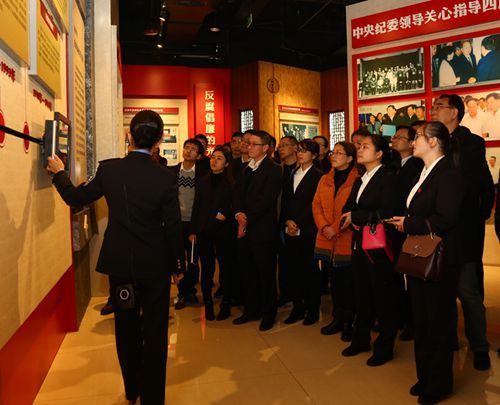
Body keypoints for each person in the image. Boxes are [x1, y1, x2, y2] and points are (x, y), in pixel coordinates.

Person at [47, 110, 183, 405]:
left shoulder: (109, 171)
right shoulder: (166, 177)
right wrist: (177, 265)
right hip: (155, 266)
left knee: (126, 328)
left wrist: (59, 172)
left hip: (122, 265)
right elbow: (173, 226)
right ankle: (152, 399)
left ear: (129, 136)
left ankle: (132, 391)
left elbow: (75, 198)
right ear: (159, 140)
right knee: (156, 333)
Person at [388, 121, 464, 405]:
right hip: (421, 255)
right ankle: (425, 377)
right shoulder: (424, 172)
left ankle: (439, 384)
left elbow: (446, 218)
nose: (413, 141)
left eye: (418, 136)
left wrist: (408, 223)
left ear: (434, 142)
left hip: (440, 259)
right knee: (421, 321)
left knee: (438, 323)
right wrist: (408, 221)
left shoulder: (449, 174)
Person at [431, 94, 495, 370]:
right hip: (436, 227)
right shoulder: (431, 139)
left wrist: (478, 217)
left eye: (439, 107)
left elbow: (480, 184)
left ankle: (479, 346)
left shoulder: (471, 142)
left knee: (469, 292)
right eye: (433, 107)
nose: (433, 111)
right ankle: (448, 340)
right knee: (441, 292)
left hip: (463, 230)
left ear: (454, 112)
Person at [340, 134, 399, 367]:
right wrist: (354, 216)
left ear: (379, 153)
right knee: (361, 293)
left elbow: (388, 211)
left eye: (365, 146)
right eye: (359, 146)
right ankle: (361, 338)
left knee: (382, 296)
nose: (360, 150)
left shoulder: (388, 178)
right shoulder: (360, 178)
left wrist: (356, 216)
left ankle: (385, 346)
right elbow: (348, 208)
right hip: (358, 242)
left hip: (378, 245)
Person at [233, 130, 282, 331]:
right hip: (243, 228)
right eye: (248, 143)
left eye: (254, 144)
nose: (249, 147)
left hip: (262, 229)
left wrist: (246, 219)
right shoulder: (246, 168)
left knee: (265, 274)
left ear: (265, 148)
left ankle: (268, 313)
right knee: (248, 272)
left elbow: (266, 200)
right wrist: (238, 213)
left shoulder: (274, 169)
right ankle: (251, 309)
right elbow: (237, 194)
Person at [314, 142, 358, 340]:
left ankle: (349, 321)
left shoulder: (357, 179)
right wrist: (324, 227)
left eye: (340, 153)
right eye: (333, 152)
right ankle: (337, 318)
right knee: (334, 282)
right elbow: (316, 206)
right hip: (326, 237)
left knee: (349, 283)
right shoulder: (325, 179)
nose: (334, 155)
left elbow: (354, 209)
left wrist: (335, 228)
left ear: (350, 158)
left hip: (346, 238)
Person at [281, 140, 324, 325]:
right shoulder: (292, 173)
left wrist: (298, 222)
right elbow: (285, 200)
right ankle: (297, 308)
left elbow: (315, 204)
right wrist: (287, 220)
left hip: (308, 229)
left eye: (304, 151)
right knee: (294, 269)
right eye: (298, 150)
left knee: (310, 271)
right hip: (290, 228)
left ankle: (313, 309)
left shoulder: (319, 176)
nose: (300, 154)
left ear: (314, 155)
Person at [190, 147, 235, 321]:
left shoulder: (232, 182)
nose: (214, 161)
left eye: (219, 158)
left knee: (226, 268)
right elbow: (196, 206)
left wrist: (225, 214)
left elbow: (235, 205)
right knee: (207, 270)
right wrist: (193, 230)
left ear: (227, 163)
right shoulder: (202, 181)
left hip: (223, 230)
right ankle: (208, 304)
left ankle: (226, 305)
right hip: (204, 231)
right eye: (213, 157)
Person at [172, 138, 206, 310]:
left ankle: (191, 290)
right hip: (176, 223)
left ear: (198, 156)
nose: (188, 151)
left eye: (193, 149)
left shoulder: (203, 174)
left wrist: (196, 227)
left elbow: (203, 203)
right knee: (178, 259)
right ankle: (182, 293)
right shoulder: (172, 171)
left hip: (193, 223)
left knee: (193, 259)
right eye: (187, 147)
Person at [277, 136, 299, 306]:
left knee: (296, 261)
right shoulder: (278, 170)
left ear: (295, 148)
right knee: (283, 261)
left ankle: (298, 295)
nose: (281, 148)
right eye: (280, 145)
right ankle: (285, 294)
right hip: (279, 220)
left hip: (297, 222)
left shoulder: (301, 169)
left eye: (285, 145)